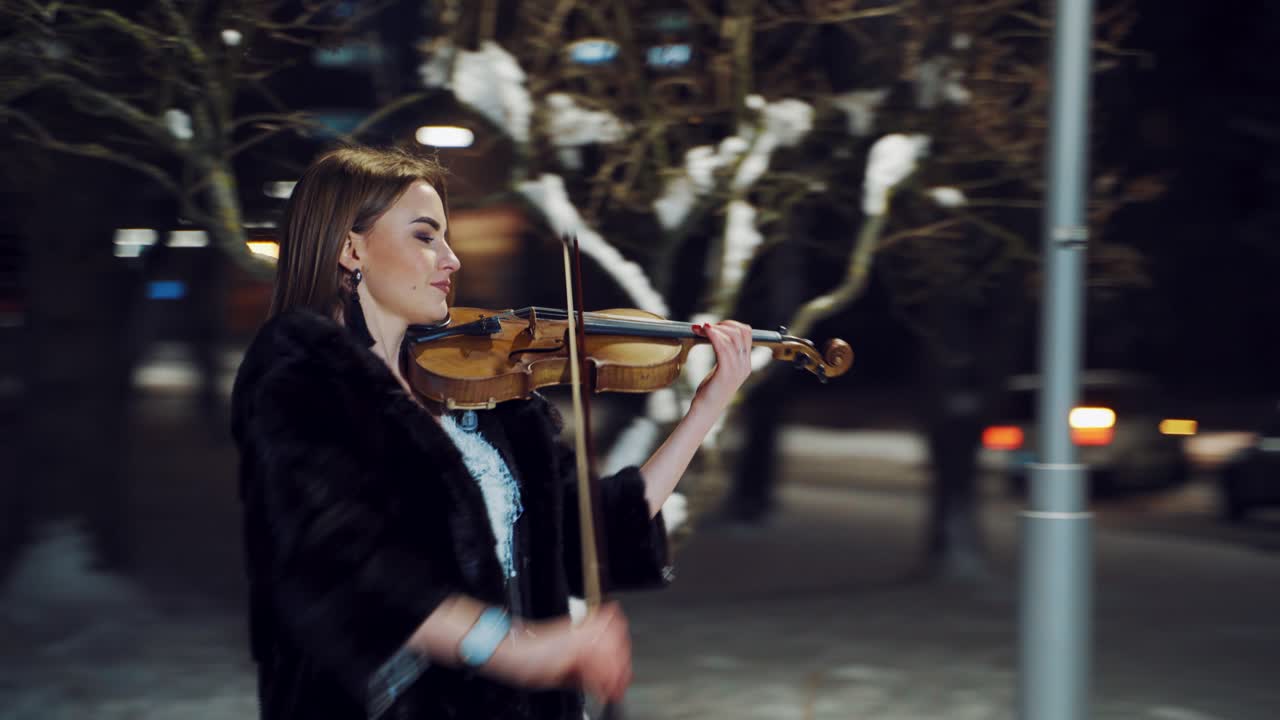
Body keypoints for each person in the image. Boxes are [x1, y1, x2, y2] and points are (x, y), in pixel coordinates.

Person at [230, 145, 754, 720]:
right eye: (426, 237)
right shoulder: (302, 373)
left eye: (447, 239)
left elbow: (583, 529)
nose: (451, 259)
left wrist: (706, 408)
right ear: (351, 248)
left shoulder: (480, 386)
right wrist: (518, 651)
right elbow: (341, 565)